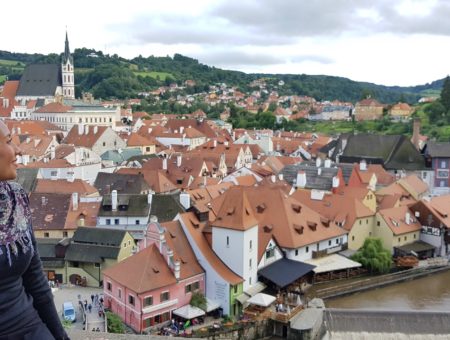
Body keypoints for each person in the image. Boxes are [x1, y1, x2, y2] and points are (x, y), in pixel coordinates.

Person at [0, 120, 69, 339]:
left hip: (28, 327)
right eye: (9, 141)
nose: (18, 150)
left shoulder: (15, 200)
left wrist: (60, 336)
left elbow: (35, 278)